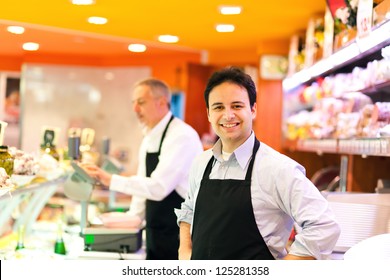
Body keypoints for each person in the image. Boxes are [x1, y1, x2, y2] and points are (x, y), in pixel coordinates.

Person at [175, 67, 340, 260]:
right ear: (209, 114)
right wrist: (184, 252)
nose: (228, 115)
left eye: (237, 106)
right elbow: (188, 210)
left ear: (253, 109)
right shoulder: (201, 163)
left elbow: (324, 225)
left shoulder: (278, 169)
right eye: (218, 107)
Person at [82, 78, 203, 260]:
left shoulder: (181, 136)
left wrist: (110, 180)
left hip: (181, 235)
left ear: (162, 102)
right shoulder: (149, 137)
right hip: (156, 232)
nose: (135, 109)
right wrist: (132, 220)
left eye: (141, 102)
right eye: (133, 103)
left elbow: (159, 187)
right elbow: (142, 185)